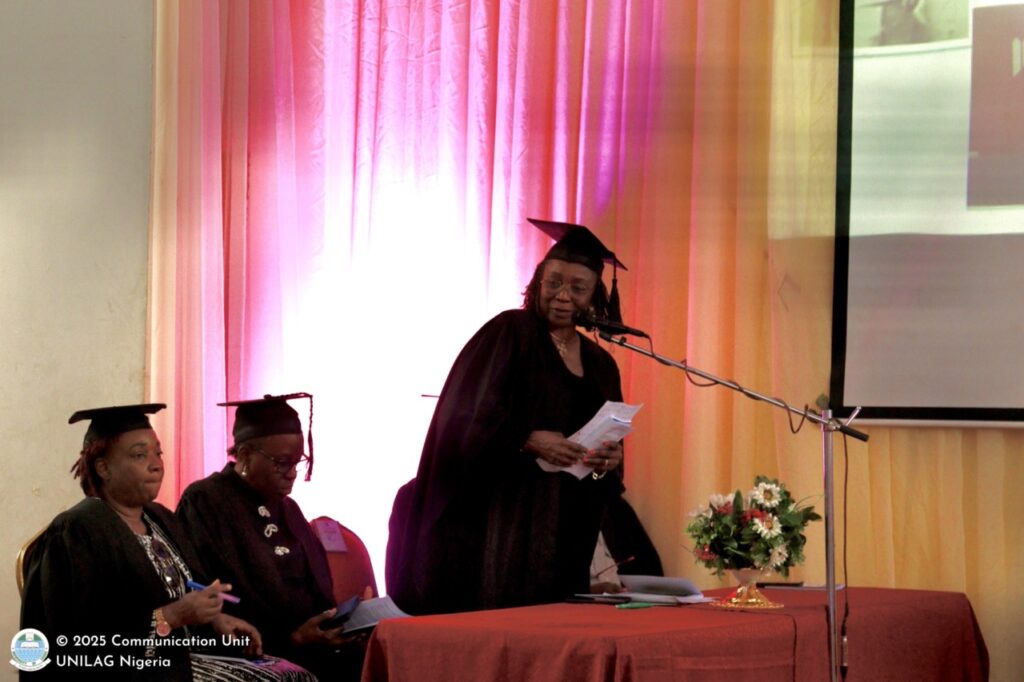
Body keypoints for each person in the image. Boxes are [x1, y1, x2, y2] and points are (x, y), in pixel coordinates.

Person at [387, 218, 630, 615]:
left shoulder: (602, 364)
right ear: (537, 282)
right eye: (553, 282)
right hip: (500, 518)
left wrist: (608, 461)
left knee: (552, 629)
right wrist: (526, 438)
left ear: (595, 296)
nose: (562, 295)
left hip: (566, 524)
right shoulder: (508, 333)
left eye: (577, 287)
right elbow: (461, 416)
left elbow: (607, 460)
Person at [19, 403, 314, 681]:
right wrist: (171, 616)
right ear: (103, 468)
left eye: (157, 453)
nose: (155, 465)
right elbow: (77, 641)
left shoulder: (160, 519)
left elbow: (186, 597)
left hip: (179, 661)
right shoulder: (78, 531)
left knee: (293, 673)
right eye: (139, 455)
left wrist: (215, 622)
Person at [176, 393, 366, 681]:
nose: (291, 473)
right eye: (281, 462)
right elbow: (203, 592)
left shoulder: (290, 510)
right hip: (251, 658)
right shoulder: (206, 501)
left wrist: (341, 621)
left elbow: (317, 593)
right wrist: (292, 638)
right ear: (244, 455)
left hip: (312, 651)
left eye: (297, 461)